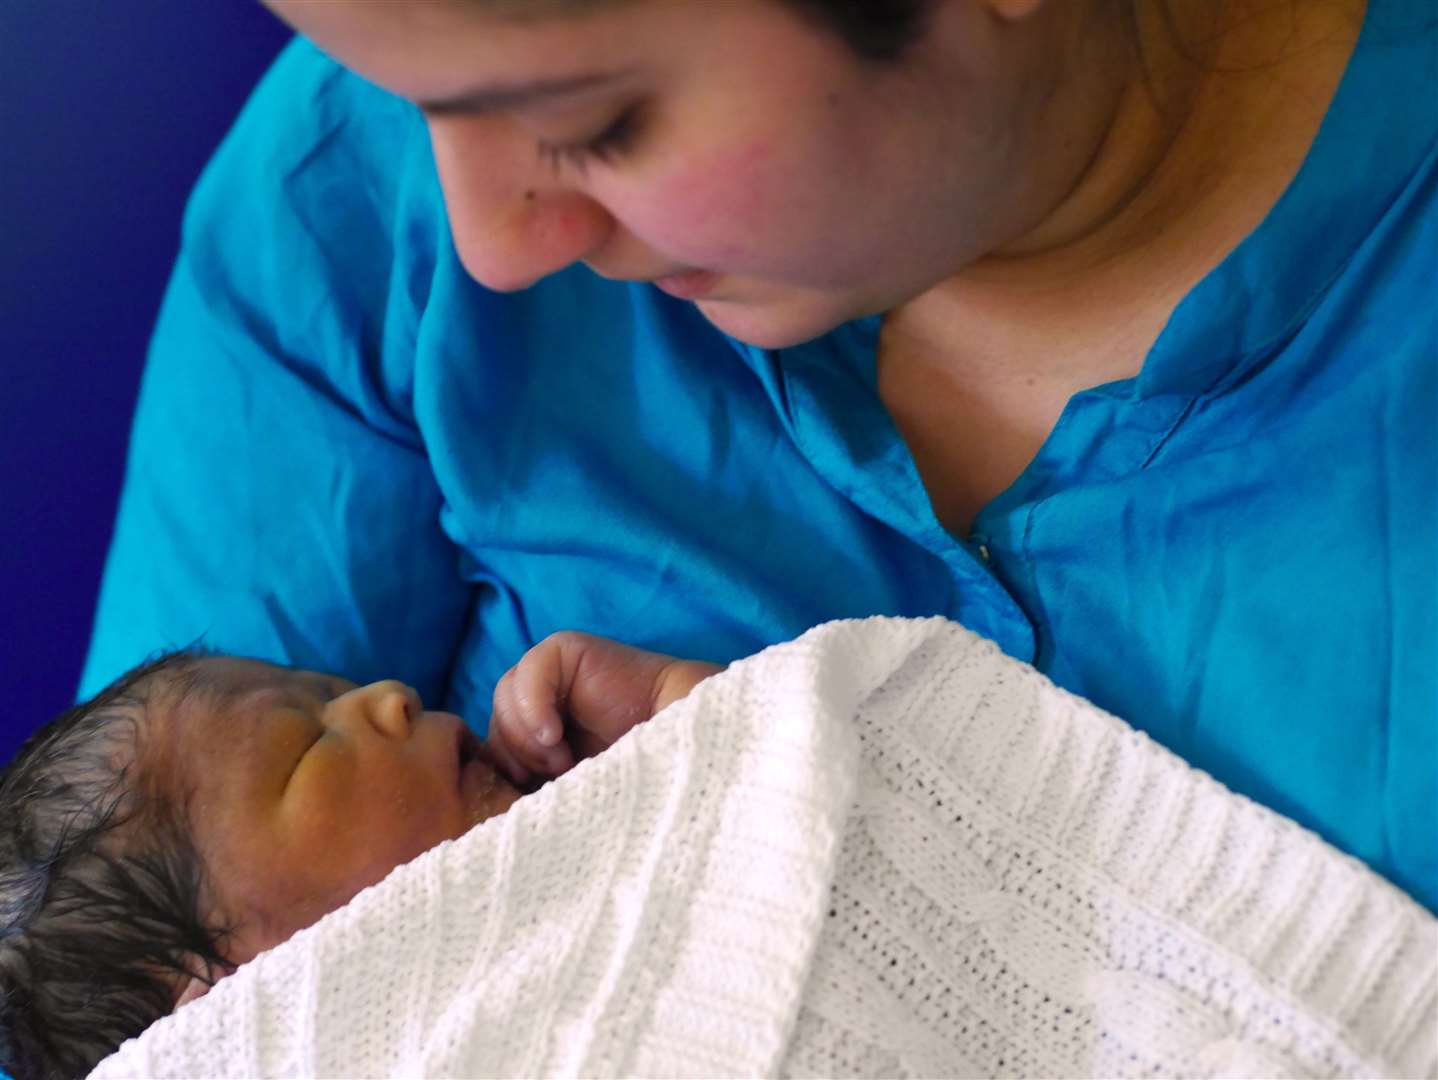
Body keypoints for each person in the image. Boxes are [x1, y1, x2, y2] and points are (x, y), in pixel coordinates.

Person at [78, 0, 1435, 916]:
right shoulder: (346, 210)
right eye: (395, 92)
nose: (485, 246)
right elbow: (127, 965)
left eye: (593, 122)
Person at [0, 633, 719, 1079]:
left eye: (333, 693)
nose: (390, 696)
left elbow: (802, 808)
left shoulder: (608, 820)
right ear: (233, 1004)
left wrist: (686, 719)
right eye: (308, 747)